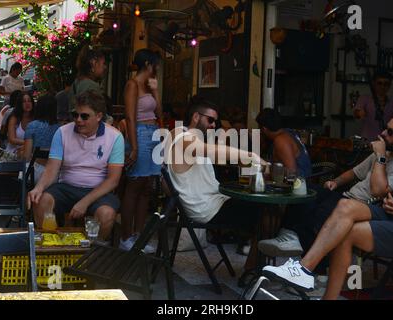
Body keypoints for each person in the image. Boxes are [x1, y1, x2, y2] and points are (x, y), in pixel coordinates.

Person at [262, 112, 393, 300]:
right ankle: (303, 269)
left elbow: (378, 191)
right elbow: (358, 176)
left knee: (342, 224)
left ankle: (306, 261)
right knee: (342, 205)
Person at [164, 96, 267, 271]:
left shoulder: (186, 136)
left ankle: (255, 260)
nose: (213, 125)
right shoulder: (182, 137)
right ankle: (255, 266)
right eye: (210, 120)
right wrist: (251, 156)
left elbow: (213, 153)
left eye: (215, 122)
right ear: (196, 117)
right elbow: (207, 151)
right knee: (267, 211)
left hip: (213, 202)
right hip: (207, 209)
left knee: (266, 207)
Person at [27, 90, 125, 239]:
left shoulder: (115, 137)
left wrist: (85, 202)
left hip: (98, 190)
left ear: (99, 116)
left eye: (84, 116)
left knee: (107, 214)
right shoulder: (62, 132)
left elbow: (113, 180)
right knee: (40, 200)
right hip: (67, 186)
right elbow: (52, 169)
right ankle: (51, 246)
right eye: (75, 115)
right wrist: (38, 188)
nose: (78, 120)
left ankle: (91, 255)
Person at [119, 49, 163, 253]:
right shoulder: (132, 84)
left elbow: (159, 113)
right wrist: (134, 147)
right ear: (148, 64)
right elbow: (129, 118)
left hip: (153, 134)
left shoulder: (149, 85)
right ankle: (125, 237)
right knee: (134, 186)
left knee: (146, 187)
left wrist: (155, 91)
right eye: (155, 64)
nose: (157, 69)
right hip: (140, 134)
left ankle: (139, 235)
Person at [256, 108, 312, 178]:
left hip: (301, 184)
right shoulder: (286, 132)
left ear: (264, 129)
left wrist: (267, 168)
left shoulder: (281, 140)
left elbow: (292, 172)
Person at [23, 94, 61, 184]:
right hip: (56, 174)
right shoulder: (61, 128)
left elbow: (26, 156)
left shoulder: (32, 126)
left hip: (35, 173)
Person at [353, 70, 393, 142]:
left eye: (386, 84)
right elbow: (357, 113)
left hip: (385, 142)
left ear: (390, 85)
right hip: (367, 141)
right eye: (379, 83)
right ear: (374, 84)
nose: (382, 86)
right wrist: (359, 113)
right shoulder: (364, 99)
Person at [68, 46, 106, 112]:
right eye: (103, 63)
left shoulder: (76, 83)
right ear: (93, 63)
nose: (105, 67)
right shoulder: (91, 86)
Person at [5, 92, 34, 156]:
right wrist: (29, 143)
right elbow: (12, 139)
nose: (27, 103)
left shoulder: (35, 119)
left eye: (29, 101)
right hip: (13, 154)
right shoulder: (14, 118)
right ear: (19, 104)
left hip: (29, 154)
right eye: (24, 102)